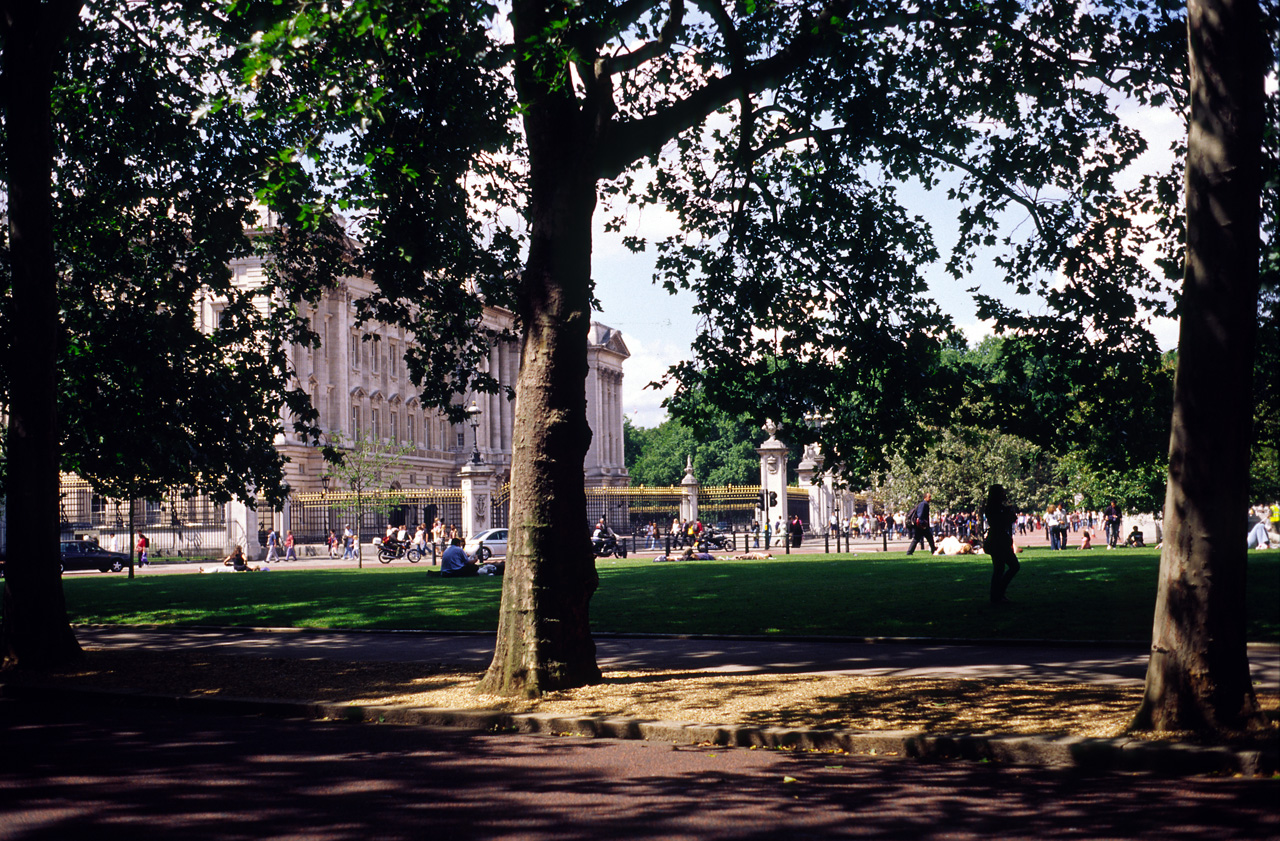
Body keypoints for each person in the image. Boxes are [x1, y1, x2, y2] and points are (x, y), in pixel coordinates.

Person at [984, 484, 1019, 604]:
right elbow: (1001, 522)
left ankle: (997, 594)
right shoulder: (994, 508)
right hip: (998, 540)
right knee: (1008, 567)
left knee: (1001, 568)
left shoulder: (997, 507)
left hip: (999, 539)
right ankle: (997, 595)